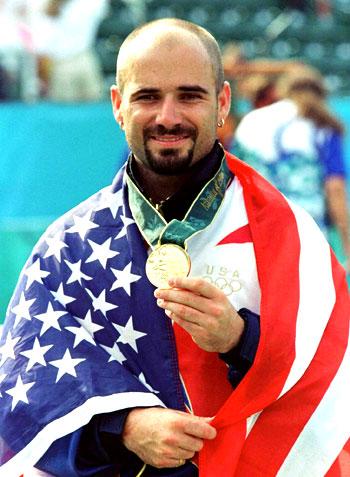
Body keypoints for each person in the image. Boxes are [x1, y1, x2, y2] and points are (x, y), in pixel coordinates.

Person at [0, 18, 349, 477]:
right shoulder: (68, 247)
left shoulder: (288, 235)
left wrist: (241, 339)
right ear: (118, 105)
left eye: (190, 95)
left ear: (222, 102)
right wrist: (123, 425)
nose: (168, 117)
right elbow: (23, 383)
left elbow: (332, 370)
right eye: (147, 96)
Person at [233, 67, 350, 270]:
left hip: (256, 230)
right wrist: (347, 243)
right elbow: (335, 189)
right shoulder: (323, 126)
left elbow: (233, 176)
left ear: (283, 90)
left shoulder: (251, 121)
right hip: (307, 235)